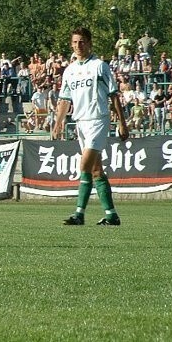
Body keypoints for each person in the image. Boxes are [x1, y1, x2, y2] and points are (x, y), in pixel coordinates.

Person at [53, 27, 129, 226]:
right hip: (80, 122)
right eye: (75, 42)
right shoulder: (69, 71)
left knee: (84, 165)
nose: (79, 45)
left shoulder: (99, 66)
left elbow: (113, 95)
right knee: (96, 171)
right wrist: (57, 124)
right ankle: (111, 215)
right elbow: (64, 100)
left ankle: (79, 214)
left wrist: (122, 122)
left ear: (89, 43)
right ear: (71, 44)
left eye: (82, 41)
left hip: (98, 119)